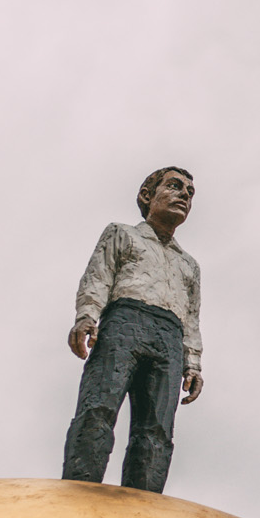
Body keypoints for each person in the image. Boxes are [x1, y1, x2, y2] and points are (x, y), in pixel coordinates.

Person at [62, 166, 203, 493]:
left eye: (190, 193)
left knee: (156, 430)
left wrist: (192, 362)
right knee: (99, 407)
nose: (184, 195)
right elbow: (99, 276)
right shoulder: (122, 234)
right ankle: (79, 492)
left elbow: (192, 316)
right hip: (125, 323)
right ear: (147, 196)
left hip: (169, 337)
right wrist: (87, 316)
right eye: (174, 186)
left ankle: (143, 507)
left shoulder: (189, 265)